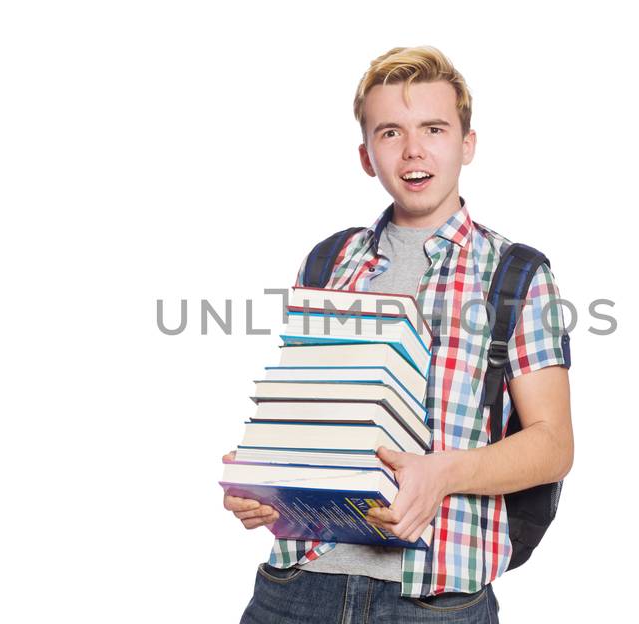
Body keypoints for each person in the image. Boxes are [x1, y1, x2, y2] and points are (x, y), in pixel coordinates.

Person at [224, 46, 574, 623]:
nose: (413, 150)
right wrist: (262, 477)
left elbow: (554, 444)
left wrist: (443, 474)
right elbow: (306, 418)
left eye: (433, 128)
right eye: (391, 132)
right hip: (296, 586)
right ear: (367, 155)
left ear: (467, 144)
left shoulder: (515, 276)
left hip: (434, 602)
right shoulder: (328, 261)